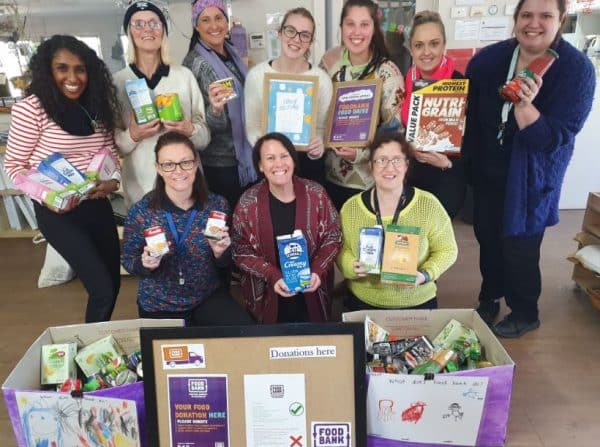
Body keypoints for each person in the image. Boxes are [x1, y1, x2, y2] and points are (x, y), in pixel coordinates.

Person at [464, 0, 596, 337]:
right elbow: (467, 113)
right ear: (516, 18)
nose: (533, 24)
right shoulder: (488, 61)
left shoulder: (576, 70)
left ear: (561, 20)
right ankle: (490, 296)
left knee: (520, 247)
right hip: (488, 170)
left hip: (531, 177)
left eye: (545, 16)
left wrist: (524, 104)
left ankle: (525, 311)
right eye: (526, 15)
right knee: (489, 239)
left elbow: (554, 139)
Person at [4, 35, 121, 323]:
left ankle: (97, 343)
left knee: (112, 284)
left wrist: (112, 182)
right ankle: (93, 354)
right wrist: (49, 197)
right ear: (48, 70)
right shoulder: (32, 109)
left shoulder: (95, 105)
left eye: (80, 69)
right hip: (58, 213)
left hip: (96, 205)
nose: (73, 77)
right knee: (102, 288)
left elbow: (112, 155)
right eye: (62, 68)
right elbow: (14, 167)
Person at [121, 131, 254, 326]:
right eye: (168, 164)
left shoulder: (217, 206)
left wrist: (221, 254)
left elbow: (228, 263)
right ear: (158, 168)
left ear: (196, 164)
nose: (178, 171)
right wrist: (145, 264)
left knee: (244, 332)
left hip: (206, 297)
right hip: (160, 304)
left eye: (186, 162)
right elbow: (128, 261)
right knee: (168, 355)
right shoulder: (142, 211)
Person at [337, 133, 458, 310]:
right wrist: (350, 266)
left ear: (407, 165)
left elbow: (447, 250)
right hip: (364, 300)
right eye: (382, 160)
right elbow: (341, 249)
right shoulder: (351, 207)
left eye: (396, 160)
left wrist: (424, 274)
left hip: (416, 301)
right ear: (371, 166)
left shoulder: (428, 204)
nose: (389, 167)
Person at [232, 132, 341, 324]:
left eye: (284, 156)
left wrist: (317, 270)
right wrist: (272, 275)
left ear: (293, 159)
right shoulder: (248, 203)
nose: (279, 164)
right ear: (260, 165)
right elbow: (240, 250)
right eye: (270, 158)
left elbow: (333, 236)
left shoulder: (316, 194)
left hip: (312, 292)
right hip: (268, 295)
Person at [113, 0, 210, 208]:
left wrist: (189, 129)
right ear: (129, 32)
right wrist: (133, 136)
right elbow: (111, 145)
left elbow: (204, 139)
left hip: (187, 189)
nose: (147, 29)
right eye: (138, 24)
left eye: (154, 23)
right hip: (140, 189)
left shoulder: (184, 77)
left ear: (163, 30)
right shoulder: (117, 83)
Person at [319, 0, 405, 210]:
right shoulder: (329, 64)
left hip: (371, 180)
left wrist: (361, 155)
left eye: (364, 24)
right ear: (341, 27)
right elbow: (317, 115)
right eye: (350, 24)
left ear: (374, 28)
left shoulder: (387, 72)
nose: (357, 32)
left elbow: (395, 134)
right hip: (329, 178)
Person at [244, 7, 332, 185]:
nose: (296, 39)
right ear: (280, 33)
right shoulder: (257, 75)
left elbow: (322, 129)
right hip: (271, 163)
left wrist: (319, 146)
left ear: (310, 42)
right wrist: (274, 155)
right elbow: (252, 128)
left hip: (308, 165)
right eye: (290, 31)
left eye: (304, 35)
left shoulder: (322, 79)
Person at [183, 0, 256, 210]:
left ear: (226, 20)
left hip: (244, 157)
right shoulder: (196, 64)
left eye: (218, 18)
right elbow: (202, 126)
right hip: (220, 165)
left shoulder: (231, 54)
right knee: (228, 225)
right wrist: (216, 110)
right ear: (196, 26)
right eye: (205, 20)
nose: (214, 26)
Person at [402, 11, 466, 219]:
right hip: (410, 179)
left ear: (444, 45)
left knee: (438, 245)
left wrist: (447, 164)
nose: (426, 52)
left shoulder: (459, 84)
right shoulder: (406, 82)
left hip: (446, 180)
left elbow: (474, 143)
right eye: (419, 45)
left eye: (434, 43)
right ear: (411, 48)